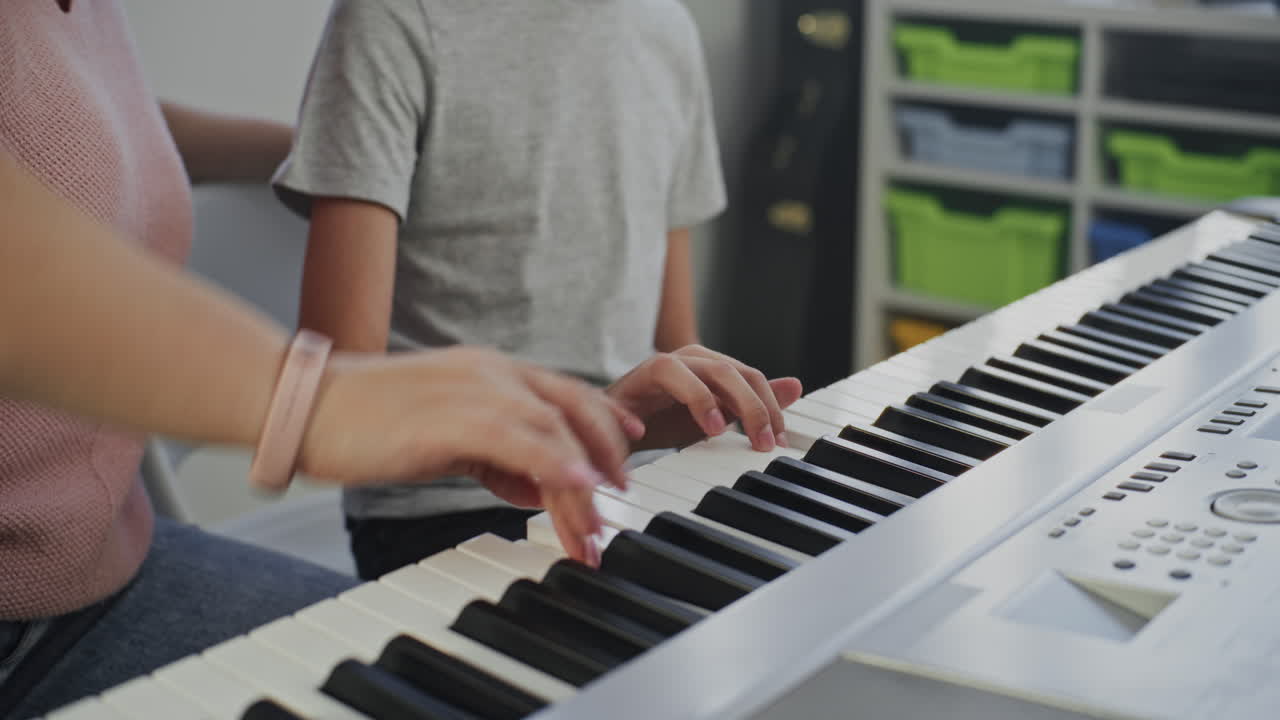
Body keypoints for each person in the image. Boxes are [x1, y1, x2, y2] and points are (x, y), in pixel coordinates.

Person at [0, 1, 800, 716]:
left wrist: (642, 418)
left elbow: (91, 129)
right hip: (435, 511)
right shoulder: (394, 20)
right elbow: (344, 371)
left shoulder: (664, 30)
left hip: (117, 566)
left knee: (758, 650)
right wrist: (318, 401)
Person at [273, 0, 777, 581]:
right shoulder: (391, 18)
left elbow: (675, 350)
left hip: (637, 480)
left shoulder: (668, 27)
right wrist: (580, 426)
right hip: (452, 507)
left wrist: (690, 410)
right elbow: (340, 397)